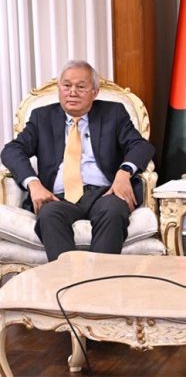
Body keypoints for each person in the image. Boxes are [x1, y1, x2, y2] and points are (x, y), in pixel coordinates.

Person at [1, 60, 155, 262]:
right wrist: (33, 183)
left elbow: (141, 146)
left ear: (94, 92)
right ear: (59, 89)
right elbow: (12, 150)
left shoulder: (114, 113)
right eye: (66, 85)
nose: (72, 92)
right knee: (49, 215)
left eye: (81, 87)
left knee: (113, 211)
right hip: (57, 197)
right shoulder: (42, 117)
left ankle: (99, 279)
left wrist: (124, 172)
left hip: (105, 193)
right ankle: (68, 279)